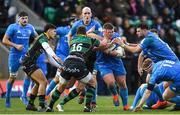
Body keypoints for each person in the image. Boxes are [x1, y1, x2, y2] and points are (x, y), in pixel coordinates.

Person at [114, 23, 179, 108]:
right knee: (152, 81)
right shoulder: (150, 39)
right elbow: (140, 51)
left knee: (164, 89)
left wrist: (122, 45)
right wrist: (139, 66)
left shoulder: (149, 38)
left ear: (144, 30)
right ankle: (162, 101)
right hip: (165, 64)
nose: (137, 33)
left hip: (171, 64)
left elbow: (135, 51)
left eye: (138, 31)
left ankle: (165, 101)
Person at [46, 25, 107, 112]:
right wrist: (97, 36)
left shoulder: (73, 40)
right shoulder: (90, 40)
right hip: (78, 63)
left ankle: (49, 106)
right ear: (85, 33)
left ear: (77, 33)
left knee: (61, 86)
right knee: (92, 83)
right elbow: (104, 44)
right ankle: (87, 107)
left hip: (67, 62)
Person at [21, 23, 62, 112]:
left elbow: (49, 59)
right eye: (54, 31)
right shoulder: (43, 38)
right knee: (43, 82)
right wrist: (55, 56)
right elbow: (47, 48)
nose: (55, 33)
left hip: (28, 62)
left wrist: (59, 66)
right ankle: (42, 105)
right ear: (49, 31)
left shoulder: (43, 38)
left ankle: (30, 104)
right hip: (29, 63)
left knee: (39, 83)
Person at [67, 6, 102, 107]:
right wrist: (71, 47)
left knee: (93, 78)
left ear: (91, 14)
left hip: (93, 55)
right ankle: (82, 93)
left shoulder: (97, 24)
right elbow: (69, 35)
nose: (87, 15)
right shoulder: (77, 24)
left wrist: (91, 35)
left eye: (88, 13)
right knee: (80, 78)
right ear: (82, 15)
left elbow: (101, 38)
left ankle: (93, 101)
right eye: (85, 13)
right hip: (81, 56)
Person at [2, 11, 38, 107]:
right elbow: (4, 40)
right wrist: (15, 45)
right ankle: (8, 96)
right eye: (22, 18)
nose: (25, 20)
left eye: (26, 18)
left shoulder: (30, 27)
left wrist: (33, 47)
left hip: (25, 55)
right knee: (12, 77)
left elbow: (37, 37)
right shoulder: (12, 27)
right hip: (14, 55)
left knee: (29, 75)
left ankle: (24, 96)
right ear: (18, 19)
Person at [94, 23, 129, 110]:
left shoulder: (116, 36)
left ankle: (125, 105)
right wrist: (110, 50)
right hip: (103, 63)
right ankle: (115, 94)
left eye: (112, 32)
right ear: (104, 31)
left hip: (116, 63)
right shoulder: (98, 37)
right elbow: (95, 48)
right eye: (109, 32)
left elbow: (121, 49)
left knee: (122, 84)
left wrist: (120, 52)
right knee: (110, 82)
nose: (111, 34)